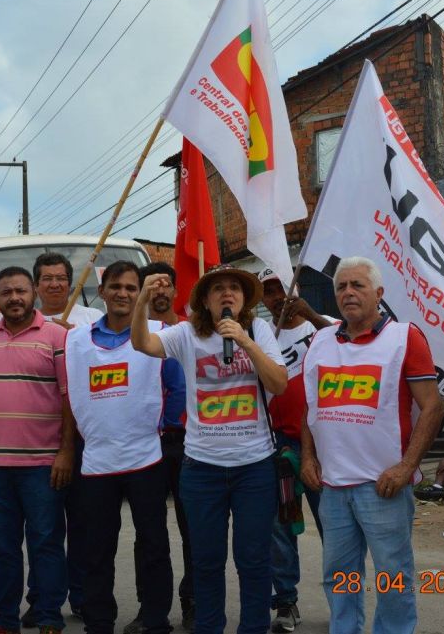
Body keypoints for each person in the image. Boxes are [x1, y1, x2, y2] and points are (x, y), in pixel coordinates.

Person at [132, 263, 288, 634]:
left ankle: (253, 628)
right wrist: (141, 301)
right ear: (204, 299)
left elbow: (279, 383)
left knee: (253, 559)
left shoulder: (257, 329)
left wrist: (246, 341)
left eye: (234, 287)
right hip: (202, 468)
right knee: (206, 560)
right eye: (217, 288)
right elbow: (143, 343)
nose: (227, 293)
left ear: (244, 298)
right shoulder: (186, 334)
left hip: (254, 466)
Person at [299, 256, 444, 634]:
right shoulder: (319, 340)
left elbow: (433, 406)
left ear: (379, 293)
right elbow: (311, 407)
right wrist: (308, 456)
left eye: (357, 285)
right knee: (340, 579)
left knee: (392, 577)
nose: (348, 292)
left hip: (382, 486)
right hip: (333, 487)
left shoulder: (404, 337)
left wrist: (406, 466)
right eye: (341, 287)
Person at [0, 266, 74, 634]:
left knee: (47, 545)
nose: (14, 298)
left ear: (33, 294)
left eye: (21, 291)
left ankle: (49, 617)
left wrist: (67, 452)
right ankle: (3, 618)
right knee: (3, 549)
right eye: (6, 292)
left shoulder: (58, 337)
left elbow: (71, 399)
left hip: (43, 466)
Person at [65, 260, 174, 634]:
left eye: (131, 287)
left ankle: (155, 618)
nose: (123, 293)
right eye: (116, 286)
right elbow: (70, 395)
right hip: (96, 462)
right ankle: (98, 621)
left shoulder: (160, 333)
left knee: (154, 546)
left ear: (140, 292)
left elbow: (175, 388)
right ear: (103, 291)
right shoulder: (75, 339)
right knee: (96, 550)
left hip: (146, 458)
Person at [21, 252, 100, 626]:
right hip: (40, 438)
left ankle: (83, 596)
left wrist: (75, 340)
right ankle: (41, 599)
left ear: (72, 283)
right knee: (43, 527)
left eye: (60, 278)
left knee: (84, 525)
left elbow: (108, 362)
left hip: (85, 437)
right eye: (46, 278)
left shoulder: (92, 321)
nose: (54, 284)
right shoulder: (23, 323)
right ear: (36, 287)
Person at [258, 267, 329, 633]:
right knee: (281, 527)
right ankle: (285, 602)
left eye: (282, 289)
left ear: (296, 290)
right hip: (280, 446)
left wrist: (311, 312)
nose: (277, 297)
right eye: (269, 291)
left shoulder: (323, 326)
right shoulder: (262, 336)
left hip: (323, 446)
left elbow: (342, 338)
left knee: (333, 526)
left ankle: (342, 600)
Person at [126, 262, 193, 634]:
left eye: (167, 284)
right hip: (147, 444)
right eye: (153, 285)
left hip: (190, 445)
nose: (161, 291)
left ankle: (194, 602)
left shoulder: (194, 329)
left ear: (177, 291)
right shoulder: (132, 336)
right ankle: (151, 610)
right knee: (149, 533)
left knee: (194, 530)